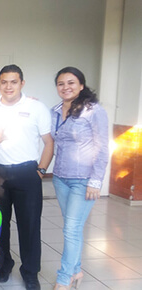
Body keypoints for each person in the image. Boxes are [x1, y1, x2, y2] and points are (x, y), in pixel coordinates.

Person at [0, 64, 54, 289]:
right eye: (4, 82)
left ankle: (30, 272)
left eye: (14, 82)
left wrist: (41, 170)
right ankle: (3, 265)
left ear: (22, 83)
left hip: (27, 172)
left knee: (30, 225)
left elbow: (48, 142)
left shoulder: (37, 107)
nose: (8, 86)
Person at [51, 67, 109, 290]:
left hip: (83, 180)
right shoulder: (55, 111)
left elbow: (103, 147)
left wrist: (96, 181)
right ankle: (76, 270)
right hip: (60, 177)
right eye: (61, 83)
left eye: (71, 83)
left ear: (81, 85)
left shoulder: (93, 111)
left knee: (71, 229)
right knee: (71, 227)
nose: (65, 87)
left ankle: (64, 279)